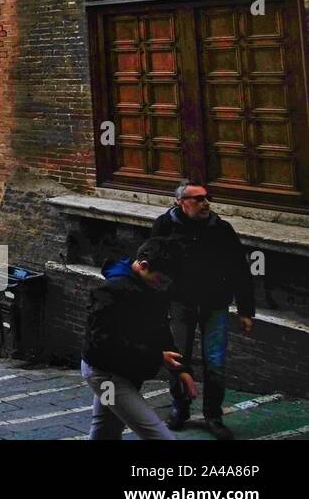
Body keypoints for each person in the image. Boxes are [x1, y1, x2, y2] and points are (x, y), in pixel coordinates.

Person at [151, 182, 255, 439]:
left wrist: (245, 310)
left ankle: (213, 415)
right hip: (179, 303)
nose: (205, 203)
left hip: (215, 303)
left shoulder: (221, 229)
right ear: (180, 203)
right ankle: (180, 408)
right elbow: (152, 263)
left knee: (215, 362)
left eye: (207, 198)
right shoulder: (164, 226)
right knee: (177, 358)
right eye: (197, 199)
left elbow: (239, 269)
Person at [82, 238, 190, 440]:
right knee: (160, 437)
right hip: (107, 377)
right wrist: (157, 357)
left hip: (122, 373)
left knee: (105, 433)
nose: (163, 287)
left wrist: (179, 369)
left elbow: (161, 329)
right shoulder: (111, 290)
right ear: (143, 266)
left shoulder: (151, 288)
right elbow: (102, 341)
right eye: (161, 280)